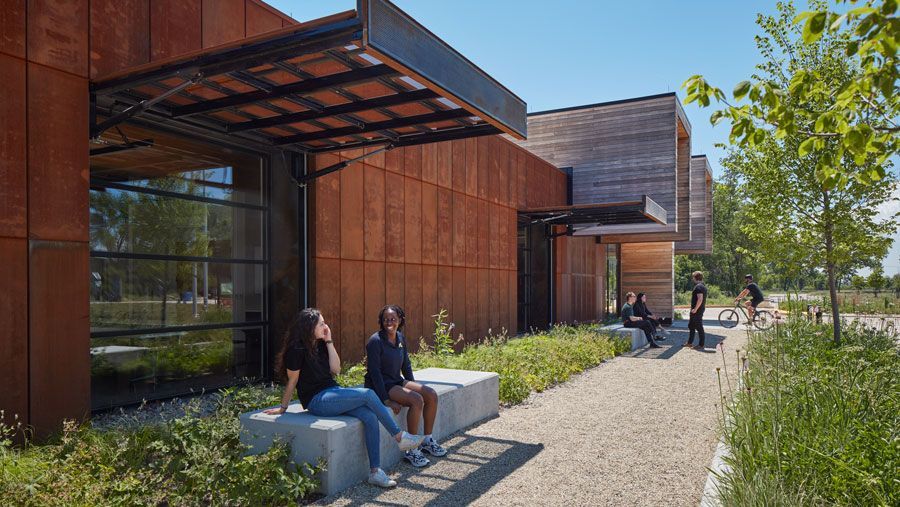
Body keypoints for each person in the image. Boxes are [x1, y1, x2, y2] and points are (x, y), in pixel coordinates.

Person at [265, 308, 424, 488]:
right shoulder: (296, 349)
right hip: (317, 400)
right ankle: (399, 436)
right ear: (309, 327)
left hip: (333, 393)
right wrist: (283, 408)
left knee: (369, 416)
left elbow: (336, 370)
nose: (325, 326)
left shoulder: (320, 344)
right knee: (368, 394)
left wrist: (329, 341)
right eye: (321, 324)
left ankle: (375, 472)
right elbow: (292, 381)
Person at [365, 305, 448, 468]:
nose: (389, 322)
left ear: (400, 320)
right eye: (386, 319)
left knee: (430, 394)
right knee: (416, 400)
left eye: (393, 319)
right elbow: (374, 373)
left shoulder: (400, 338)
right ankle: (411, 450)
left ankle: (427, 440)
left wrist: (413, 385)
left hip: (396, 379)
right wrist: (386, 400)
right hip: (381, 384)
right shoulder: (375, 341)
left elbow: (406, 366)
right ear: (381, 322)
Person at [684, 271, 708, 350]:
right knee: (691, 326)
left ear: (695, 278)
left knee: (699, 327)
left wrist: (695, 309)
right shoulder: (702, 286)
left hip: (697, 310)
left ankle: (701, 345)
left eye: (693, 277)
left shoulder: (699, 287)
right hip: (696, 310)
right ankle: (689, 343)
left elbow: (700, 299)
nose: (692, 279)